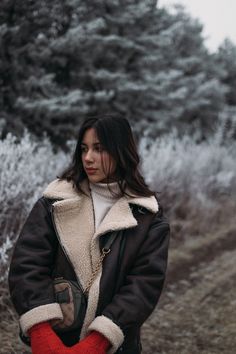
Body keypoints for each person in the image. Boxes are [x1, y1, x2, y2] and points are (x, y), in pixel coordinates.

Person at [8, 115, 170, 354]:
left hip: (112, 347)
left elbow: (144, 285)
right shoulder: (54, 202)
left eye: (99, 148)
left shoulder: (147, 215)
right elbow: (27, 265)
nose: (88, 158)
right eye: (84, 149)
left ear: (120, 151)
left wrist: (98, 342)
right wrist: (42, 334)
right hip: (55, 339)